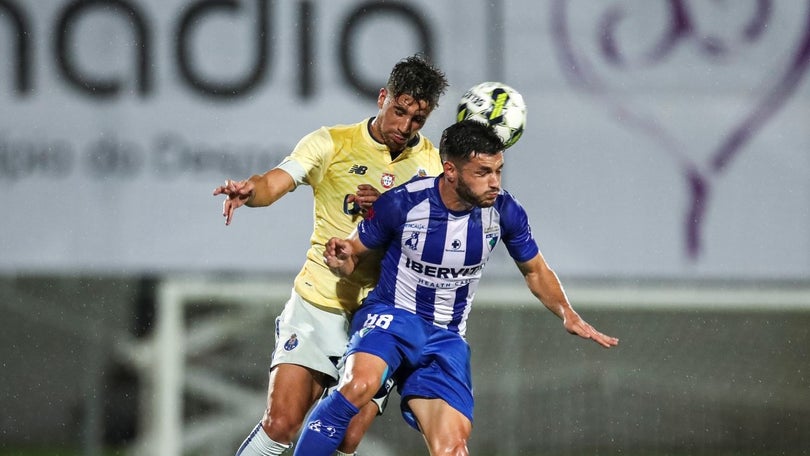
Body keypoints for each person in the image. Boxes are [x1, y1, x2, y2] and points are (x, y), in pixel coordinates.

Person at [294, 120, 619, 456]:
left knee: (453, 448)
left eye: (498, 171)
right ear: (450, 171)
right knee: (357, 387)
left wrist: (567, 313)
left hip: (446, 337)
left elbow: (535, 270)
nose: (494, 183)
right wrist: (340, 259)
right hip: (392, 318)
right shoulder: (402, 203)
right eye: (483, 172)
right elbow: (352, 255)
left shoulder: (505, 211)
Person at [213, 54, 449, 456]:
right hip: (317, 305)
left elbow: (438, 239)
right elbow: (276, 180)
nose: (404, 127)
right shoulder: (331, 142)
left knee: (347, 436)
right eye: (399, 111)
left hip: (380, 316)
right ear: (382, 98)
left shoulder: (430, 166)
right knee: (281, 423)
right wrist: (251, 192)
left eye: (417, 120)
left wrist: (392, 209)